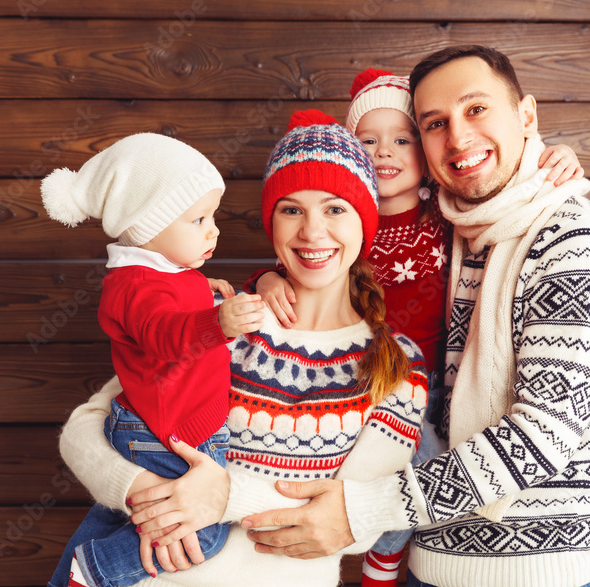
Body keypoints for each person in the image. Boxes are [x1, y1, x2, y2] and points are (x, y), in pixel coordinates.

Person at [209, 45, 590, 587]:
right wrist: (238, 290)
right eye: (435, 124)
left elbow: (547, 436)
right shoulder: (460, 226)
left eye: (477, 109)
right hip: (431, 559)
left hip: (536, 573)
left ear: (527, 116)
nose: (458, 139)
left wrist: (359, 510)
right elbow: (329, 256)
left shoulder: (581, 243)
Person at [54, 110, 430, 586]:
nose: (313, 232)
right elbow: (86, 428)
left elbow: (354, 524)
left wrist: (220, 496)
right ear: (270, 222)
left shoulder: (399, 367)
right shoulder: (218, 316)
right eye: (292, 209)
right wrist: (142, 490)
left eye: (336, 208)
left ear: (364, 220)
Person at [40, 133, 266, 587]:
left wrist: (206, 293)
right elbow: (164, 334)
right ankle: (97, 571)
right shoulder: (136, 286)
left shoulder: (163, 272)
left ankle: (69, 573)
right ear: (147, 225)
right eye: (197, 219)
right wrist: (217, 322)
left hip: (155, 423)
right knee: (203, 532)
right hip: (165, 433)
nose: (213, 230)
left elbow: (173, 301)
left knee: (120, 518)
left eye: (213, 216)